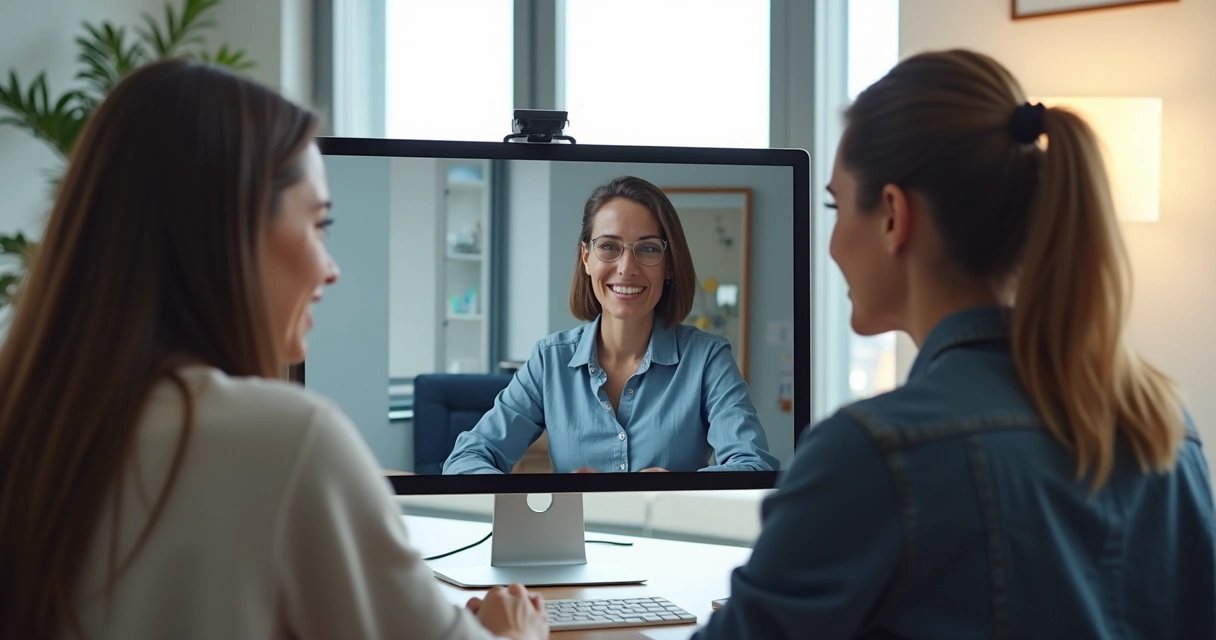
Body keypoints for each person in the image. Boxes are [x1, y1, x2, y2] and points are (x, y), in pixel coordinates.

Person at [0, 59, 548, 640]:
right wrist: (515, 633)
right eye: (317, 225)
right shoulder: (287, 441)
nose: (330, 268)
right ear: (227, 237)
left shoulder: (29, 425)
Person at [695, 49, 1216, 639]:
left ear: (893, 215)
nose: (833, 242)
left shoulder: (870, 454)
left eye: (836, 206)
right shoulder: (1164, 425)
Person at [443, 176, 778, 474]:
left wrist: (675, 491)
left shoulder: (707, 359)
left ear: (670, 266)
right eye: (609, 247)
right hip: (573, 543)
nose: (626, 267)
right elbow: (467, 458)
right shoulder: (550, 361)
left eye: (647, 249)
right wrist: (540, 498)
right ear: (586, 259)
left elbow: (754, 465)